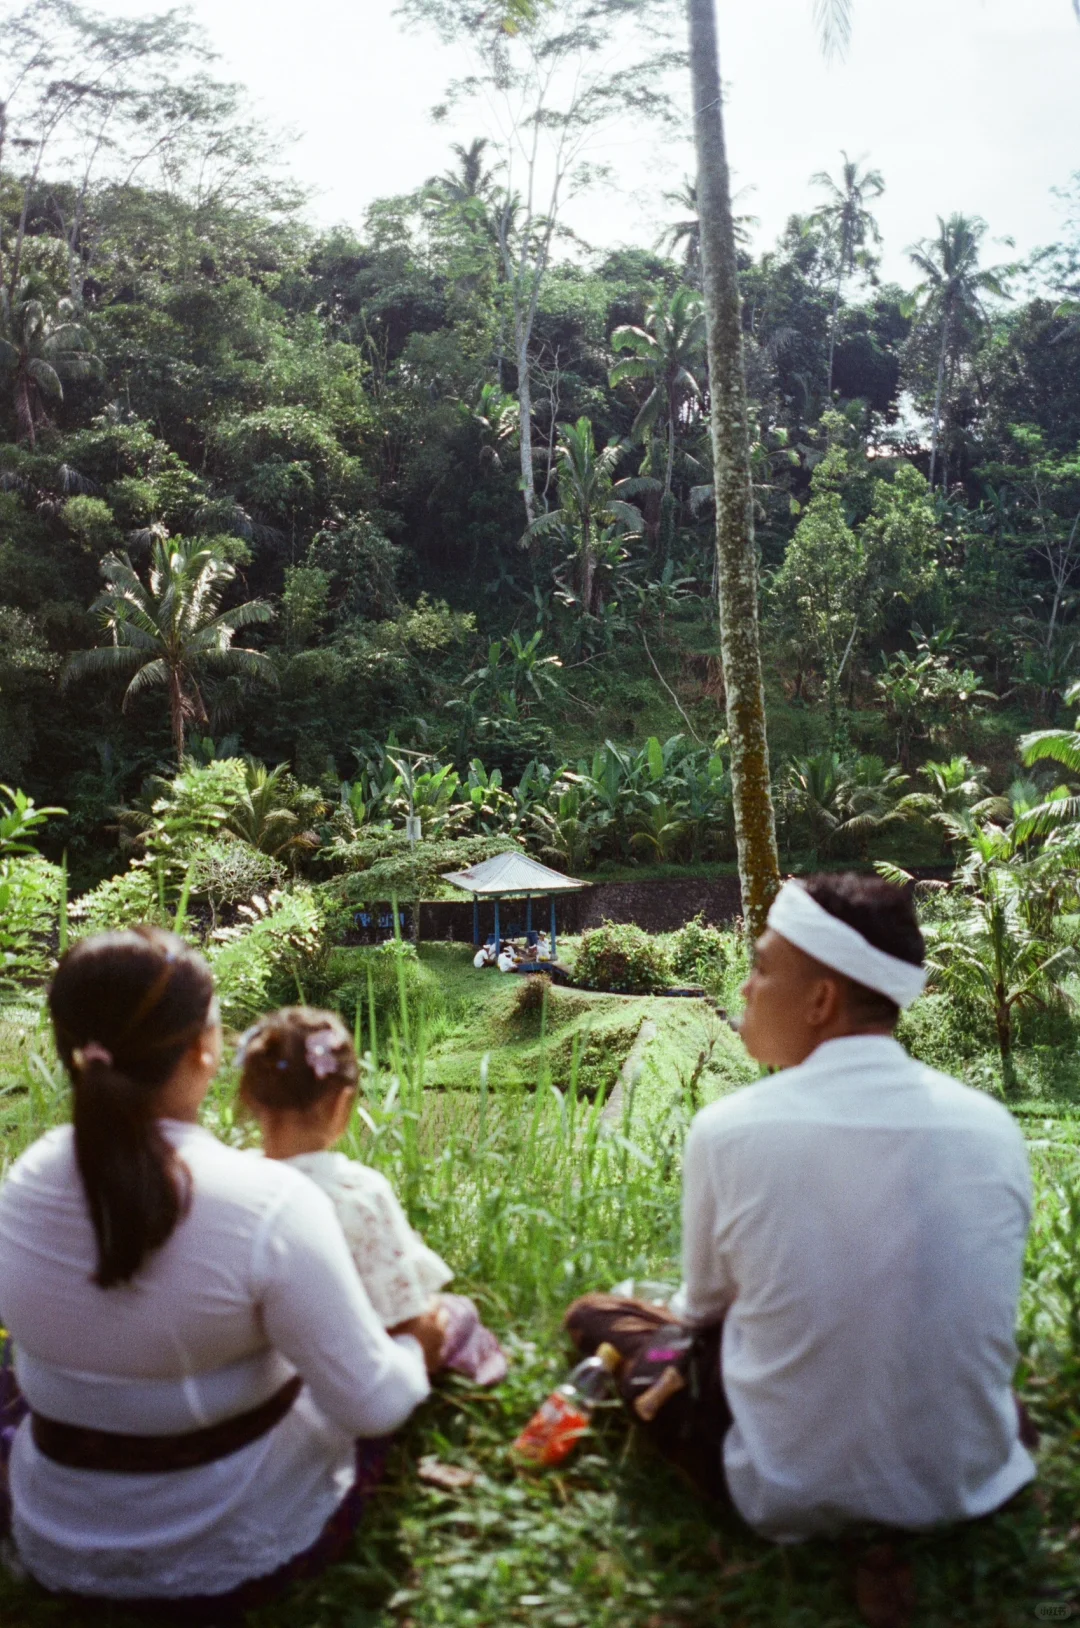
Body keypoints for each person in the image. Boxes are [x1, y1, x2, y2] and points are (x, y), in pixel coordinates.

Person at [566, 873, 1036, 1543]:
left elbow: (704, 1315)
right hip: (969, 1482)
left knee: (600, 1318)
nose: (744, 989)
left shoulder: (730, 1129)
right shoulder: (992, 1127)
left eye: (761, 968)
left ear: (821, 1000)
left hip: (783, 1493)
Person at [0, 927, 438, 1619]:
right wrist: (417, 1344)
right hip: (216, 1553)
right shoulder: (270, 1204)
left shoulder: (24, 1179)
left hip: (53, 1538)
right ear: (204, 1050)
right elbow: (372, 1405)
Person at [237, 1007, 506, 1386]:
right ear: (341, 1104)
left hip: (267, 1367)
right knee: (459, 1312)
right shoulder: (357, 1192)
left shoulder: (234, 1182)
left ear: (249, 1096)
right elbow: (407, 1318)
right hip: (352, 1372)